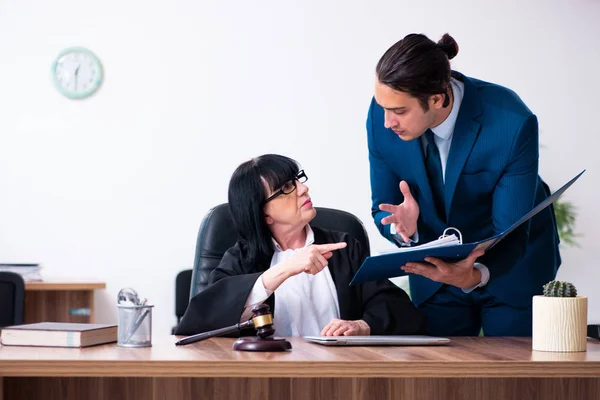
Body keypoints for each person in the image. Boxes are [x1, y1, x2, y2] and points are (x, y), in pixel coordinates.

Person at [367, 33, 561, 336]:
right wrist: (404, 229)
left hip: (510, 265)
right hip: (435, 273)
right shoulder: (384, 115)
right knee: (440, 378)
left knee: (513, 375)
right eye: (383, 107)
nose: (387, 122)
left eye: (399, 111)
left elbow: (510, 231)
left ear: (437, 98)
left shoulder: (510, 122)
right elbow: (382, 207)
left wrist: (475, 275)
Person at [176, 154, 424, 337]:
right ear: (263, 214)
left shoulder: (343, 247)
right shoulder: (242, 258)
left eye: (297, 180)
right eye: (286, 188)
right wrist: (284, 270)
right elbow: (198, 324)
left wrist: (362, 325)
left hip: (341, 374)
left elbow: (400, 310)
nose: (304, 189)